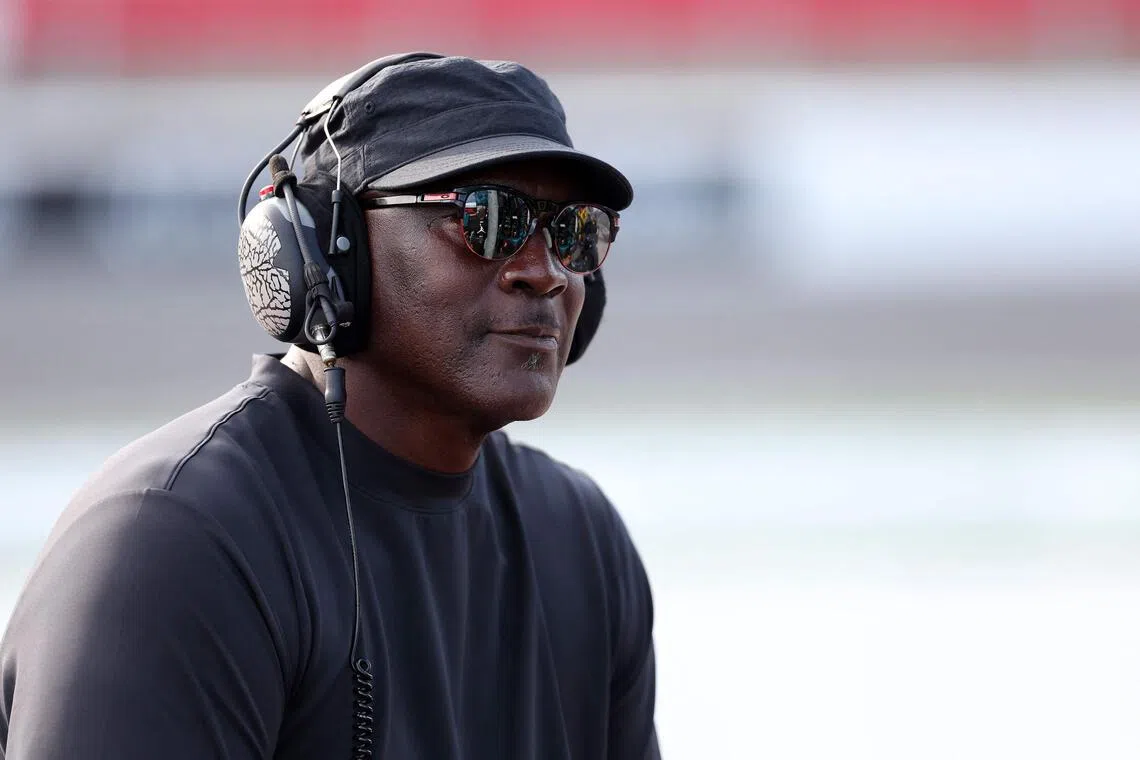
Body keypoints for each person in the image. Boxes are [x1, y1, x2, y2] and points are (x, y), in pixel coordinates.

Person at [0, 53, 660, 759]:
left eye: (573, 230)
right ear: (324, 256)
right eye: (487, 218)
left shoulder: (581, 540)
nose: (545, 271)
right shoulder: (173, 542)